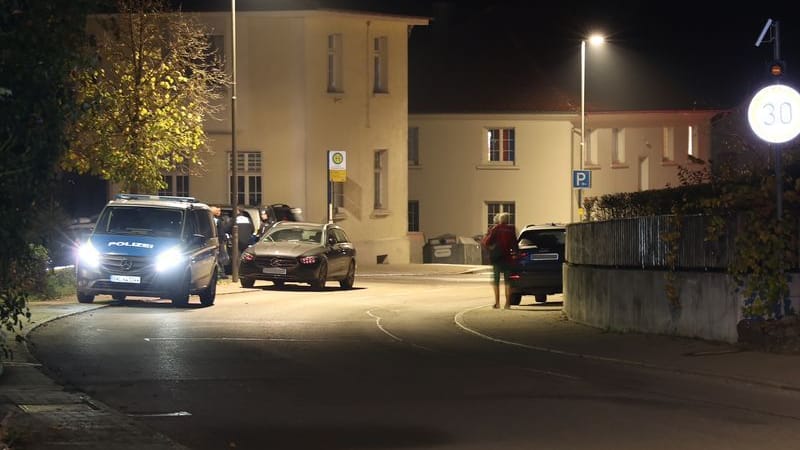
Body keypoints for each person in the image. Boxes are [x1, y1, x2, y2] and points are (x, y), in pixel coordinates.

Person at [481, 212, 518, 309]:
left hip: (497, 258)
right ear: (508, 220)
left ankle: (497, 303)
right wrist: (515, 254)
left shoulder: (495, 229)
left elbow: (487, 242)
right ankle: (508, 304)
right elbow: (515, 245)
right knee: (507, 281)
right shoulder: (511, 230)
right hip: (507, 258)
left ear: (500, 220)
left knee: (496, 281)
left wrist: (490, 247)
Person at [211, 206, 231, 279]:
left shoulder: (209, 220)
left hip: (211, 241)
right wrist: (223, 241)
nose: (220, 212)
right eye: (218, 211)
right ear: (215, 213)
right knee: (221, 257)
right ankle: (222, 273)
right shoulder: (218, 221)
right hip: (219, 241)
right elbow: (221, 232)